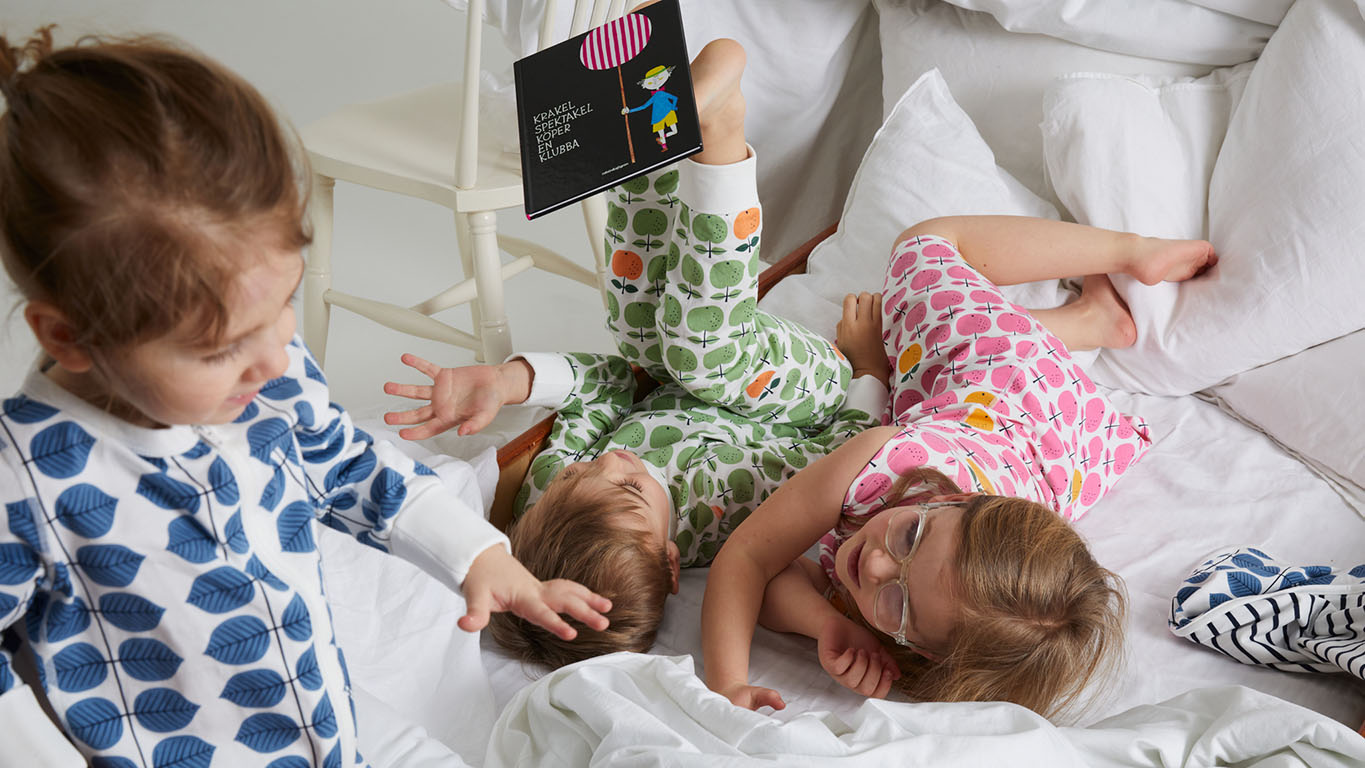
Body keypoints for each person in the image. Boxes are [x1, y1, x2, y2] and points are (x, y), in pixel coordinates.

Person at [0, 29, 609, 765]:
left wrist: (480, 556)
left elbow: (350, 465)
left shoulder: (272, 371)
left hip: (325, 710)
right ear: (69, 337)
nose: (272, 357)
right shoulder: (27, 477)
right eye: (220, 348)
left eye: (285, 302)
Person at [383, 39, 891, 669]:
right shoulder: (729, 509)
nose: (610, 461)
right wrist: (866, 371)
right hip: (793, 392)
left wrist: (508, 380)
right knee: (698, 352)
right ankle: (724, 129)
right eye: (629, 489)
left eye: (578, 472)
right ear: (672, 561)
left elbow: (607, 387)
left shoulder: (546, 498)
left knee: (637, 333)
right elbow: (834, 463)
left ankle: (660, 121)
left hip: (672, 363)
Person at [700, 210, 1217, 717]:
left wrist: (826, 624)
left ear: (926, 651)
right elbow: (748, 556)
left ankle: (1093, 321)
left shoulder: (954, 638)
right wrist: (725, 686)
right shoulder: (880, 461)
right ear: (953, 499)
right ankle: (1130, 252)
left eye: (898, 606)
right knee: (923, 243)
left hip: (1070, 456)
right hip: (1007, 385)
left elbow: (772, 580)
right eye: (908, 536)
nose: (873, 564)